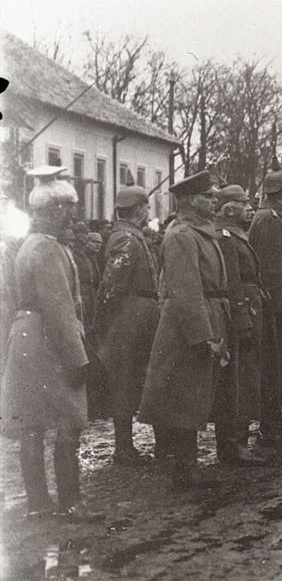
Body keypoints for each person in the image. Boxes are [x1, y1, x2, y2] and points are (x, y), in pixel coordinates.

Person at [1, 166, 100, 520]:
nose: (72, 216)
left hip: (26, 338)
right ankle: (71, 503)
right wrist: (77, 359)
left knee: (32, 423)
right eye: (67, 209)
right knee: (67, 421)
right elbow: (59, 310)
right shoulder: (49, 250)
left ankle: (39, 504)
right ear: (53, 210)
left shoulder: (29, 245)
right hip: (48, 341)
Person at [138, 171, 231, 489]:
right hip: (186, 327)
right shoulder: (181, 234)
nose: (215, 200)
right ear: (191, 201)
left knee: (194, 394)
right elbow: (185, 290)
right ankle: (184, 469)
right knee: (184, 397)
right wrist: (203, 335)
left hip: (205, 315)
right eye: (209, 196)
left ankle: (186, 466)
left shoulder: (198, 231)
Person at [92, 186, 162, 464]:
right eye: (146, 208)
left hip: (137, 316)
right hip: (130, 319)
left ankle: (128, 447)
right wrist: (112, 323)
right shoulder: (127, 239)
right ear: (137, 210)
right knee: (125, 383)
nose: (148, 212)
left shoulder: (132, 237)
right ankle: (123, 448)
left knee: (131, 381)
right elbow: (109, 286)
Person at [211, 185, 269, 466]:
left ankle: (239, 442)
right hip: (240, 312)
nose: (249, 208)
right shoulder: (224, 237)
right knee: (236, 380)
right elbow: (232, 283)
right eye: (244, 203)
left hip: (251, 306)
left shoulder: (234, 234)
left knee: (246, 376)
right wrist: (242, 318)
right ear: (229, 209)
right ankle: (233, 445)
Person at [248, 169, 282, 440]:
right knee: (273, 361)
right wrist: (280, 304)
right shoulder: (269, 219)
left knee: (279, 361)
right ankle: (268, 421)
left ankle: (273, 414)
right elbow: (269, 269)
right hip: (279, 302)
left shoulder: (279, 217)